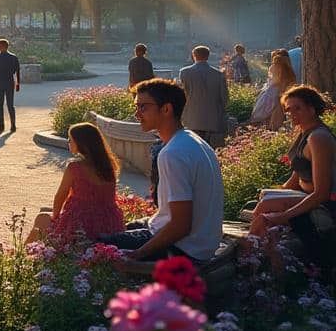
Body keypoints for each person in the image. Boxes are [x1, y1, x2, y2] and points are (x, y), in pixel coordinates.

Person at [100, 79, 224, 262]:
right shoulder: (192, 140)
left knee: (93, 244)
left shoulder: (173, 153)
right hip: (203, 242)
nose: (137, 114)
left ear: (166, 109)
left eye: (143, 107)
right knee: (115, 228)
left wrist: (137, 254)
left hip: (184, 249)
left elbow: (181, 226)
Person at [247, 85, 336, 267]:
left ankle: (250, 256)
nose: (291, 113)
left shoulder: (318, 138)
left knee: (266, 206)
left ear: (312, 109)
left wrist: (284, 214)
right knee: (264, 196)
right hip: (305, 194)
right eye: (288, 110)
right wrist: (276, 193)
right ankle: (258, 252)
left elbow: (322, 192)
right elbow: (296, 177)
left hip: (326, 202)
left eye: (298, 108)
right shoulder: (305, 132)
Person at [26, 122, 125, 246]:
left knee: (42, 218)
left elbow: (60, 196)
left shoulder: (75, 167)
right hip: (109, 223)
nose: (69, 142)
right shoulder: (109, 166)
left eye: (70, 140)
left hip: (82, 225)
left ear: (80, 144)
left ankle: (23, 256)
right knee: (45, 210)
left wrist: (55, 216)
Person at [178, 46, 229, 148]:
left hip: (191, 117)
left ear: (194, 56)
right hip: (213, 118)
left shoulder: (185, 72)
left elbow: (181, 94)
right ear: (208, 56)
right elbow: (224, 98)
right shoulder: (218, 74)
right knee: (210, 148)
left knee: (193, 147)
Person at [248, 50, 297, 129]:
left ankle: (269, 126)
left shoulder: (275, 68)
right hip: (281, 91)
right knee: (275, 110)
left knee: (270, 110)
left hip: (275, 90)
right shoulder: (288, 68)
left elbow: (274, 80)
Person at [0, 38, 21, 133]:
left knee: (3, 105)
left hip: (1, 83)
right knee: (7, 105)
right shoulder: (12, 57)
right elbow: (17, 71)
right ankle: (9, 125)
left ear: (1, 46)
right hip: (7, 83)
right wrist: (18, 83)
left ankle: (5, 125)